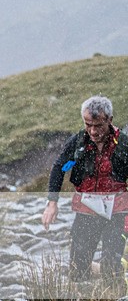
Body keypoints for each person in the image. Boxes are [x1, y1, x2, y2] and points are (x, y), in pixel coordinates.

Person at [43, 95, 128, 285]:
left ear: (110, 120)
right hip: (86, 212)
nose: (93, 131)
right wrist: (52, 202)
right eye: (88, 124)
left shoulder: (123, 144)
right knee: (77, 267)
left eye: (98, 125)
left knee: (111, 267)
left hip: (117, 213)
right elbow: (60, 167)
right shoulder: (78, 143)